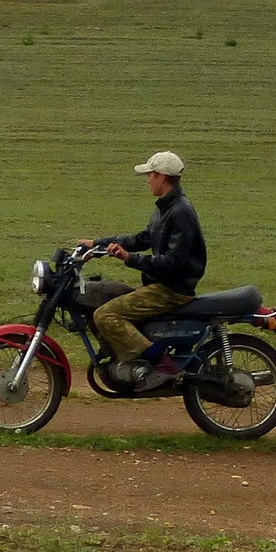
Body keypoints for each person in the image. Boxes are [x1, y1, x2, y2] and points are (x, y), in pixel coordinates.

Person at [80, 151, 207, 390]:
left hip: (171, 289)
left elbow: (172, 262)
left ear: (161, 177)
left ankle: (164, 364)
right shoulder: (166, 207)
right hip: (161, 284)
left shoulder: (180, 212)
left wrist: (129, 259)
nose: (147, 179)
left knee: (105, 315)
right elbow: (142, 238)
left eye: (149, 175)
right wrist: (98, 243)